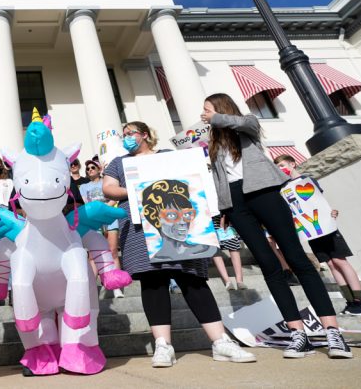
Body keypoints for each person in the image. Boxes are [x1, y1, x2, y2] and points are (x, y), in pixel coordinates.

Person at [201, 92, 352, 359]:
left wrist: (217, 118)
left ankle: (332, 331)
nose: (204, 115)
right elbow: (218, 178)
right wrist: (224, 208)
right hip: (236, 203)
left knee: (297, 258)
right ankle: (297, 334)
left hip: (264, 191)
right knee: (268, 264)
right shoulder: (213, 142)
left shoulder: (246, 124)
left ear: (222, 109)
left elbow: (244, 124)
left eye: (208, 110)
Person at [103, 121, 255, 367]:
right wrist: (139, 188)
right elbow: (108, 188)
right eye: (124, 134)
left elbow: (191, 180)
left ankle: (220, 341)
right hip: (141, 230)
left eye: (131, 133)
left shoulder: (168, 155)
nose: (126, 137)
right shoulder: (119, 162)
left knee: (193, 280)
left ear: (144, 134)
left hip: (184, 228)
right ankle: (163, 345)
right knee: (153, 283)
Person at [274, 154, 361, 316]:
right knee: (330, 264)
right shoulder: (283, 188)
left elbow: (319, 201)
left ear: (292, 164)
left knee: (340, 261)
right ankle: (350, 301)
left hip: (326, 227)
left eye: (282, 165)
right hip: (312, 231)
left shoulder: (307, 180)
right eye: (278, 167)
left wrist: (332, 211)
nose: (281, 169)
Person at [79, 159, 124, 298]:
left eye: (93, 167)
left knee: (113, 251)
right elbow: (85, 203)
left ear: (99, 169)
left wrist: (103, 209)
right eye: (88, 169)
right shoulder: (83, 187)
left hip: (109, 218)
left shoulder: (107, 182)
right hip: (94, 221)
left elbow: (114, 198)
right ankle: (91, 289)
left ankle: (116, 286)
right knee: (93, 256)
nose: (90, 170)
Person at [211, 214, 247, 290]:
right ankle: (227, 281)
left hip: (224, 215)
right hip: (208, 217)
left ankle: (239, 280)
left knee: (233, 245)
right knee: (215, 248)